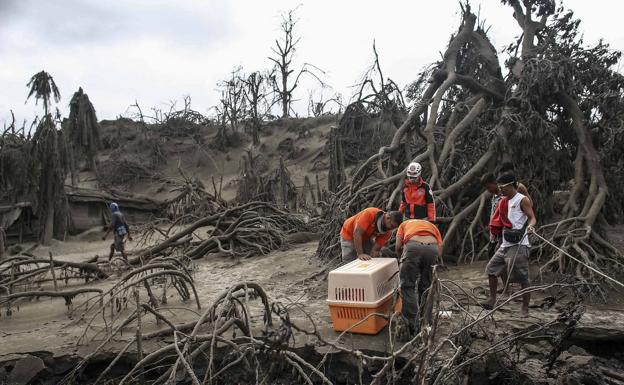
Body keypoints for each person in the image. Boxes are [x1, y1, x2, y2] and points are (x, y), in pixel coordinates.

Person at [485, 173, 537, 317]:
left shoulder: (522, 200)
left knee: (522, 277)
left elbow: (532, 218)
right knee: (491, 269)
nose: (501, 190)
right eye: (499, 187)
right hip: (505, 243)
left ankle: (525, 308)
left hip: (519, 243)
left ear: (512, 185)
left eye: (503, 187)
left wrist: (531, 227)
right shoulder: (503, 201)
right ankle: (492, 299)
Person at [395, 219, 443, 336]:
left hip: (413, 246)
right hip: (433, 248)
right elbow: (440, 248)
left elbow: (397, 246)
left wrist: (402, 260)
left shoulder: (404, 224)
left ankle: (413, 324)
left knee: (407, 286)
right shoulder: (432, 226)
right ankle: (426, 322)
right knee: (427, 286)